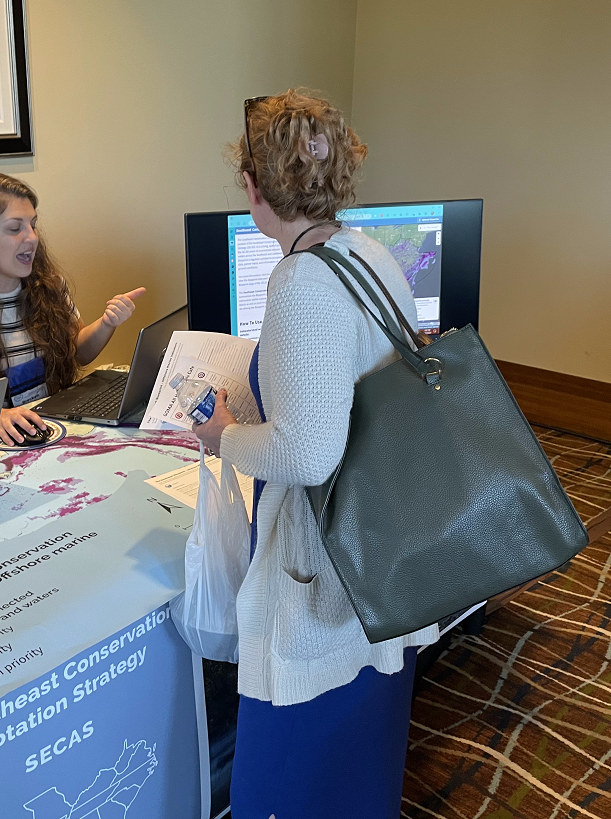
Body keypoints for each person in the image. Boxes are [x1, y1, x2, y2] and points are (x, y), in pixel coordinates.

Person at [193, 90, 439, 819]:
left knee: (285, 775)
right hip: (382, 538)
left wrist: (223, 437)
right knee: (359, 754)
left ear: (253, 186)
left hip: (322, 566)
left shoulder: (301, 281)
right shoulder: (367, 255)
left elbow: (308, 454)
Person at [0, 172, 146, 446]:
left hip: (49, 429)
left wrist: (107, 323)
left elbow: (78, 352)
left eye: (33, 225)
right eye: (15, 229)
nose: (32, 238)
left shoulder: (49, 283)